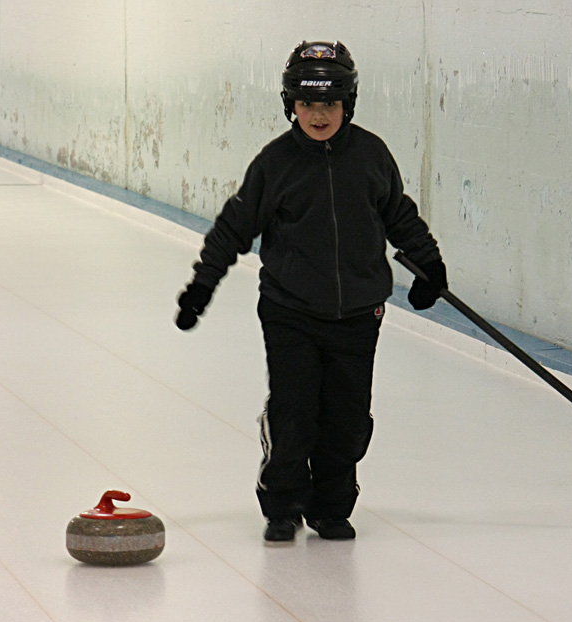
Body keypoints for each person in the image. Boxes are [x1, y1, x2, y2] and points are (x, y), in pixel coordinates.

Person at [175, 41, 447, 543]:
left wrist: (428, 264)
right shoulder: (275, 164)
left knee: (345, 419)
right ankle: (283, 503)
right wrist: (201, 285)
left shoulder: (370, 154)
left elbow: (398, 214)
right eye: (306, 104)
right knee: (295, 410)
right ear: (290, 105)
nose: (318, 115)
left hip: (359, 314)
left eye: (329, 104)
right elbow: (234, 227)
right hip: (290, 310)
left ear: (348, 104)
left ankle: (330, 507)